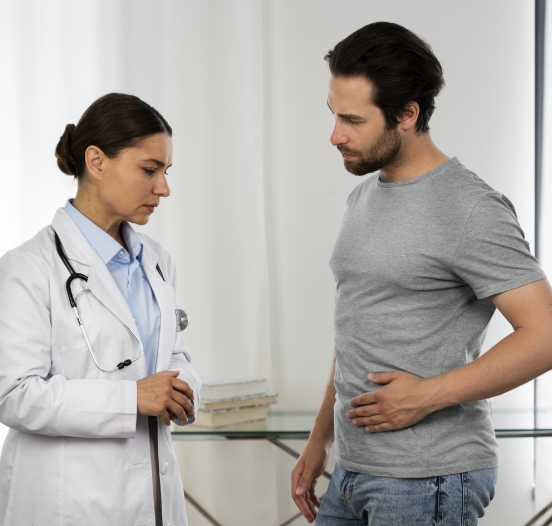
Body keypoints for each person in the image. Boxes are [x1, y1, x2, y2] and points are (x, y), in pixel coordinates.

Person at [291, 22, 552, 525]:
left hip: (427, 477)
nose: (335, 135)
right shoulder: (364, 194)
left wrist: (426, 395)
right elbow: (358, 330)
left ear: (407, 114)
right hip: (353, 470)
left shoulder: (470, 208)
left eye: (352, 120)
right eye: (333, 115)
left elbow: (544, 335)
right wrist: (319, 439)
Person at [0, 93, 201, 526]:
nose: (163, 188)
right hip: (69, 503)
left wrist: (186, 391)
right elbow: (14, 395)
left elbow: (174, 358)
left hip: (153, 496)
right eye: (149, 170)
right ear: (96, 161)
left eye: (165, 172)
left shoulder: (157, 261)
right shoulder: (29, 267)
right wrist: (132, 398)